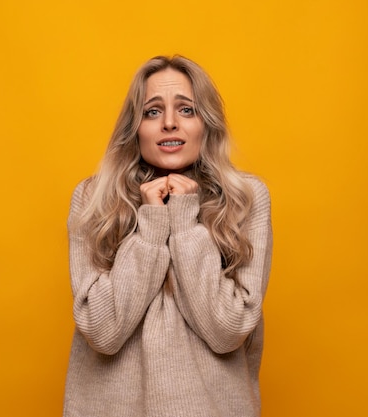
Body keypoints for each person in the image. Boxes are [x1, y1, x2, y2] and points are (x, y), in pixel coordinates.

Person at [63, 55, 273, 417]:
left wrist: (185, 222)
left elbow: (227, 330)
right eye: (153, 111)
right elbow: (103, 332)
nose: (171, 124)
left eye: (187, 110)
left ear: (206, 124)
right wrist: (152, 223)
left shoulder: (245, 199)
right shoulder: (94, 199)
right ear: (135, 128)